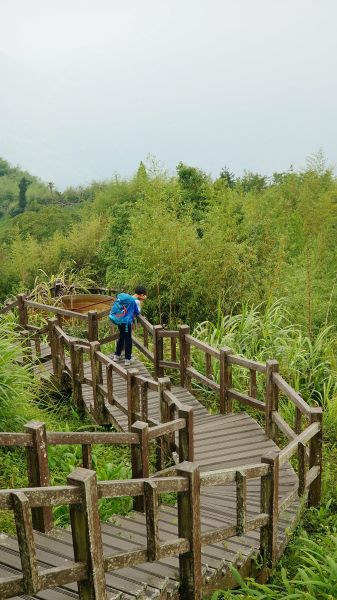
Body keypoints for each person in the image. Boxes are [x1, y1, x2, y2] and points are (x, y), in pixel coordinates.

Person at [112, 285, 147, 366]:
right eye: (144, 295)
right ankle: (128, 359)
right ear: (141, 295)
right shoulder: (136, 301)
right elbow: (138, 312)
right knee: (128, 339)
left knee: (121, 337)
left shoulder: (127, 297)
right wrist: (141, 302)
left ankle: (116, 356)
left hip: (119, 320)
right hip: (127, 323)